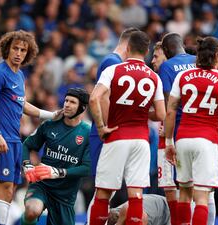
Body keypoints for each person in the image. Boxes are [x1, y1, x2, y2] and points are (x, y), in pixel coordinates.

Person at [0, 30, 61, 225]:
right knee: (3, 188)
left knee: (10, 190)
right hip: (0, 139)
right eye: (15, 48)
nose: (18, 53)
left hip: (15, 140)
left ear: (28, 53)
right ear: (7, 49)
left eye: (23, 50)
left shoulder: (19, 76)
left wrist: (50, 115)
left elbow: (23, 105)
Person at [88, 31, 166, 225]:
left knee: (103, 193)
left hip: (117, 136)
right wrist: (139, 113)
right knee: (136, 194)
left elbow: (94, 98)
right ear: (147, 51)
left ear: (128, 48)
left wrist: (101, 126)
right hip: (141, 140)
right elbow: (161, 114)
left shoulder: (114, 70)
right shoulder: (154, 77)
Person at [164, 36, 218, 225]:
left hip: (183, 140)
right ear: (215, 55)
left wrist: (168, 142)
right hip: (207, 141)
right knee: (202, 197)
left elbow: (171, 110)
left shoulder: (183, 77)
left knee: (184, 194)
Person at [159, 33, 216, 225]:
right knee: (206, 191)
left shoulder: (167, 66)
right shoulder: (197, 61)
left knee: (185, 189)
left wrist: (168, 137)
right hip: (206, 128)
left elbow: (169, 105)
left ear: (166, 51)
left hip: (182, 130)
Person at [86, 27, 139, 224]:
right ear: (130, 46)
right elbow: (101, 98)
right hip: (106, 132)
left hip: (108, 132)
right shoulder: (112, 62)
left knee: (108, 190)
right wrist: (108, 126)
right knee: (103, 190)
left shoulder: (114, 62)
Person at [21, 87, 91, 225]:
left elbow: (87, 168)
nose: (67, 104)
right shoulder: (49, 124)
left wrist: (57, 172)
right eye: (66, 100)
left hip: (65, 195)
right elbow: (26, 145)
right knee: (32, 211)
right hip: (42, 184)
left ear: (82, 107)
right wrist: (26, 164)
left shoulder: (88, 132)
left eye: (72, 102)